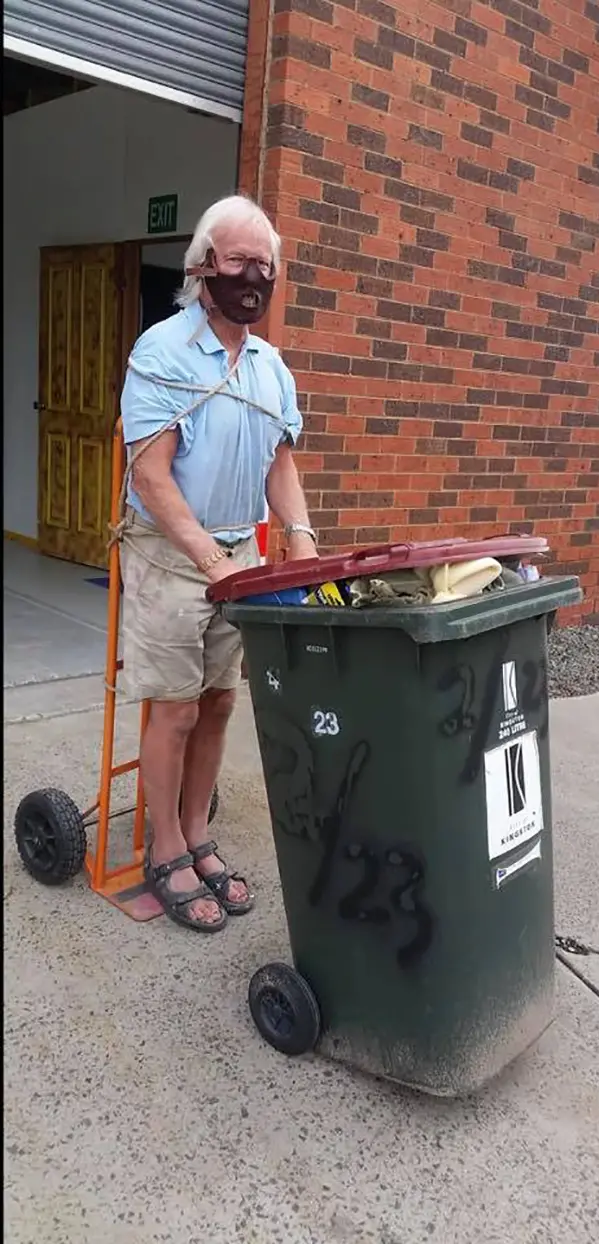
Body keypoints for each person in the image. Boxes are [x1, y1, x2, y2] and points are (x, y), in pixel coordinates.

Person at [119, 195, 317, 933]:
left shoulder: (271, 367)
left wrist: (300, 540)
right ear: (203, 266)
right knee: (172, 708)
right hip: (173, 558)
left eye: (265, 266)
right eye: (239, 262)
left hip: (240, 556)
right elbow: (151, 476)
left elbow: (280, 466)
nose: (254, 278)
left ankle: (197, 830)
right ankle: (163, 845)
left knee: (220, 702)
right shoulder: (163, 353)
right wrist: (207, 558)